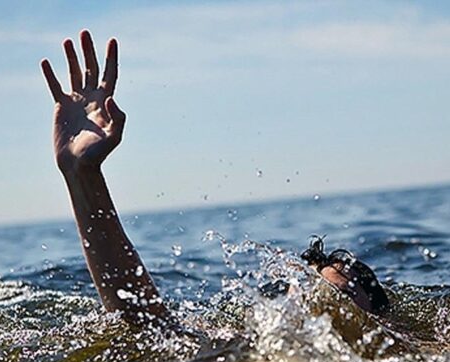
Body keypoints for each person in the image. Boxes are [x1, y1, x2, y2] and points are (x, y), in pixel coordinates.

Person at [40, 30, 389, 326]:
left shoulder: (405, 357)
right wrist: (81, 175)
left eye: (336, 294)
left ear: (379, 319)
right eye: (307, 293)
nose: (316, 305)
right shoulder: (244, 351)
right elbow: (145, 324)